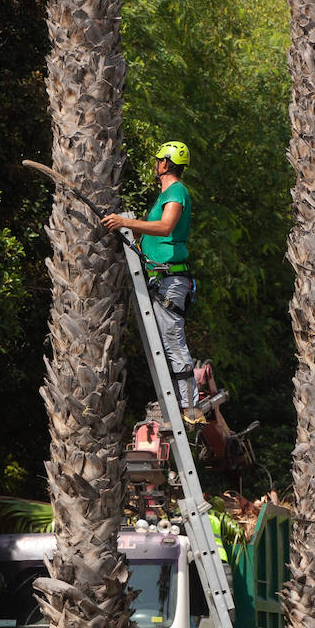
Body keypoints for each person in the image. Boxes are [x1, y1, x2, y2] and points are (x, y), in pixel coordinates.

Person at [102, 140, 205, 426]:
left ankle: (189, 408)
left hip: (171, 279)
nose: (155, 165)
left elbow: (165, 227)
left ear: (164, 164)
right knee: (165, 340)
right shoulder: (164, 196)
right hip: (160, 276)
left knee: (172, 339)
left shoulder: (176, 191)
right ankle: (179, 403)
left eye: (157, 160)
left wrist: (127, 223)